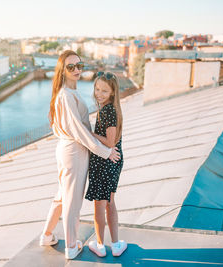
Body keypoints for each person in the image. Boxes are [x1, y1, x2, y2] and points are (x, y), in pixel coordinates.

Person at [39, 51, 120, 260]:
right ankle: (71, 247)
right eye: (71, 67)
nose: (76, 70)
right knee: (72, 202)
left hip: (70, 150)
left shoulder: (68, 91)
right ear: (62, 70)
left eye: (79, 65)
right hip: (74, 151)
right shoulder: (66, 95)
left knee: (61, 197)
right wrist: (106, 152)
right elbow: (80, 131)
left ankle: (47, 235)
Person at [85, 71, 127, 257]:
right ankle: (116, 244)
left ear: (112, 93)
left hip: (105, 163)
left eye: (104, 91)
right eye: (97, 89)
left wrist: (88, 133)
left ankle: (100, 245)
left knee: (99, 206)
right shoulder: (112, 108)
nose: (99, 94)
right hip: (111, 162)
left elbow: (110, 142)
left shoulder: (107, 110)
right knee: (110, 203)